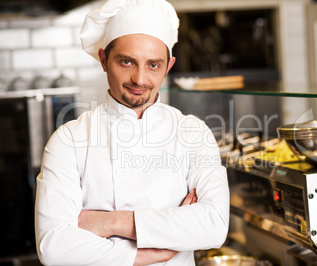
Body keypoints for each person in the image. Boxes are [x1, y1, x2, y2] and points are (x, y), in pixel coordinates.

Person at [34, 0, 230, 265]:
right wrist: (147, 253)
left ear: (168, 66)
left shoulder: (192, 132)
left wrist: (110, 222)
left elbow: (214, 226)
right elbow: (53, 248)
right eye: (126, 62)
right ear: (104, 60)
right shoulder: (69, 140)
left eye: (153, 65)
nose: (140, 79)